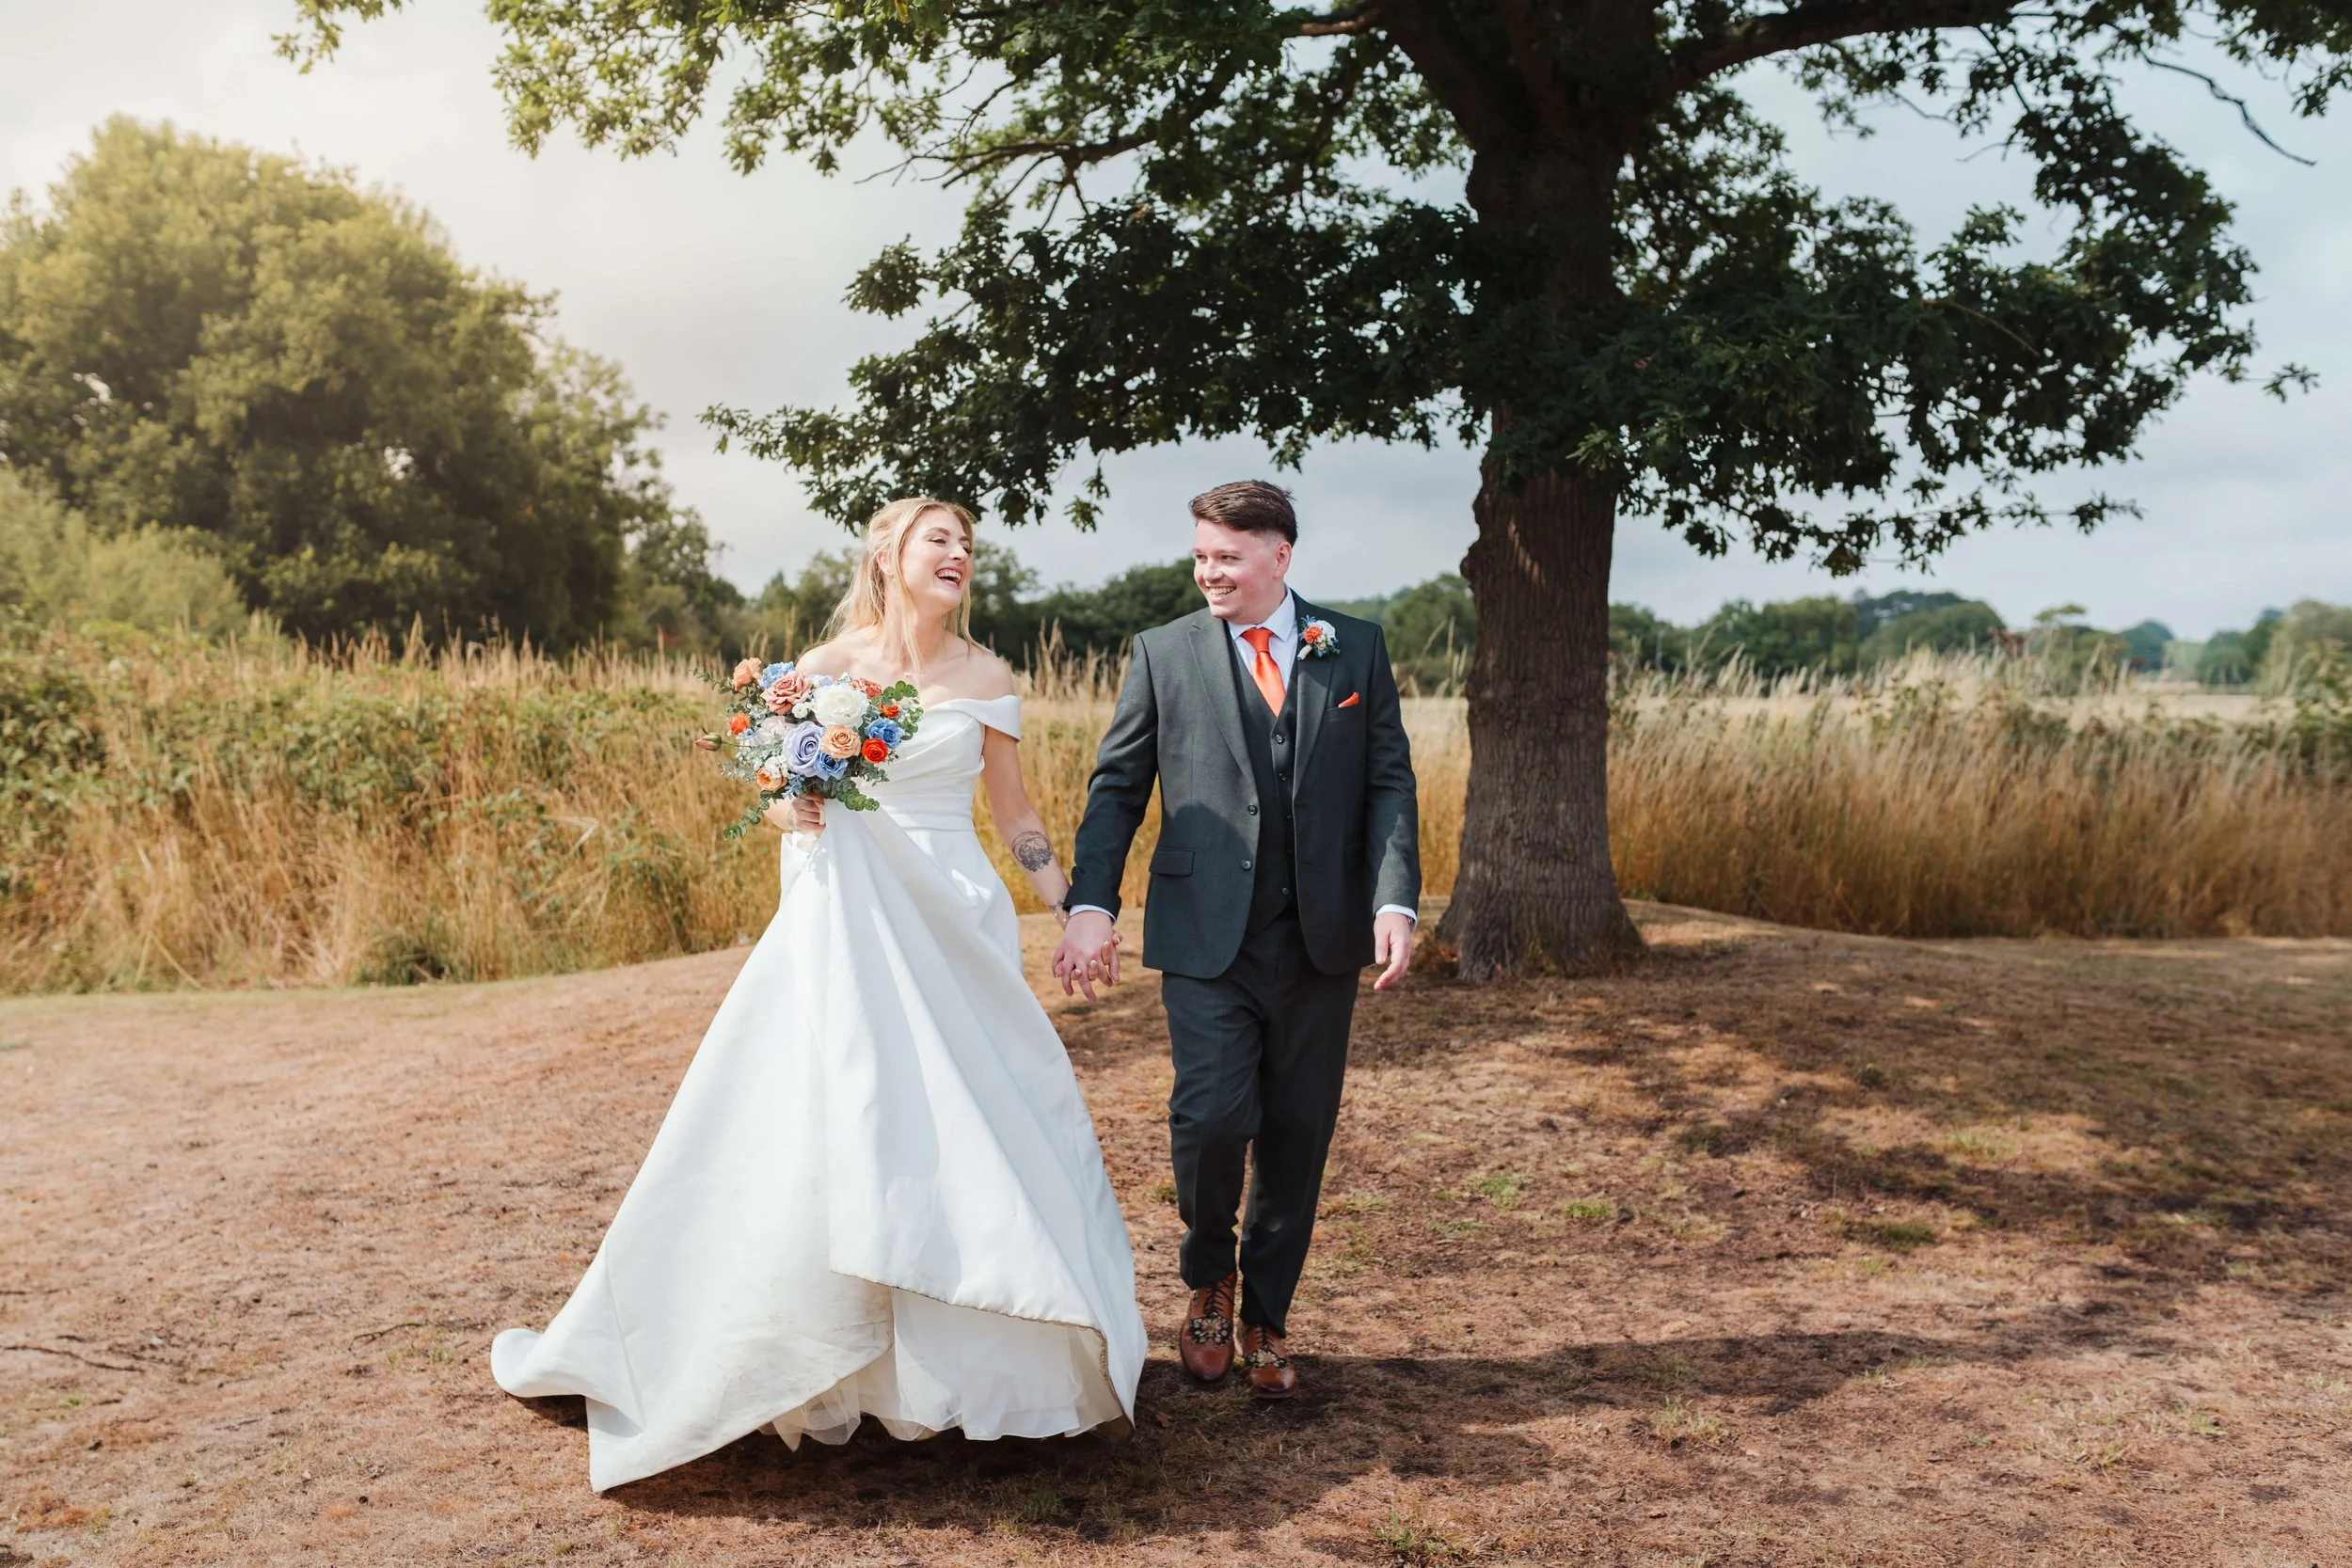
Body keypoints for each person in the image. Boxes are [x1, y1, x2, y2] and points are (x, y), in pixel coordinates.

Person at [490, 498, 1145, 1492]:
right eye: (941, 538)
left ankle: (974, 1366)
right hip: (849, 915)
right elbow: (780, 799)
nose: (960, 553)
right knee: (842, 1110)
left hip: (952, 916)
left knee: (973, 1118)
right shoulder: (826, 667)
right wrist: (789, 799)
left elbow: (1013, 815)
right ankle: (805, 1347)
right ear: (889, 555)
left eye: (969, 543)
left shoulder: (987, 677)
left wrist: (1072, 907)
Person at [1053, 481, 1420, 1400]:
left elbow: (1388, 784)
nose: (1208, 572)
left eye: (1226, 556)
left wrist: (1393, 900)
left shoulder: (1355, 648)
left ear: (1279, 556)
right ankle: (1208, 1274)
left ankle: (1267, 1312)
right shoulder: (1162, 652)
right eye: (1200, 556)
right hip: (1205, 934)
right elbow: (1116, 789)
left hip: (1322, 936)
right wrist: (1091, 902)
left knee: (1299, 1130)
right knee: (1213, 1119)